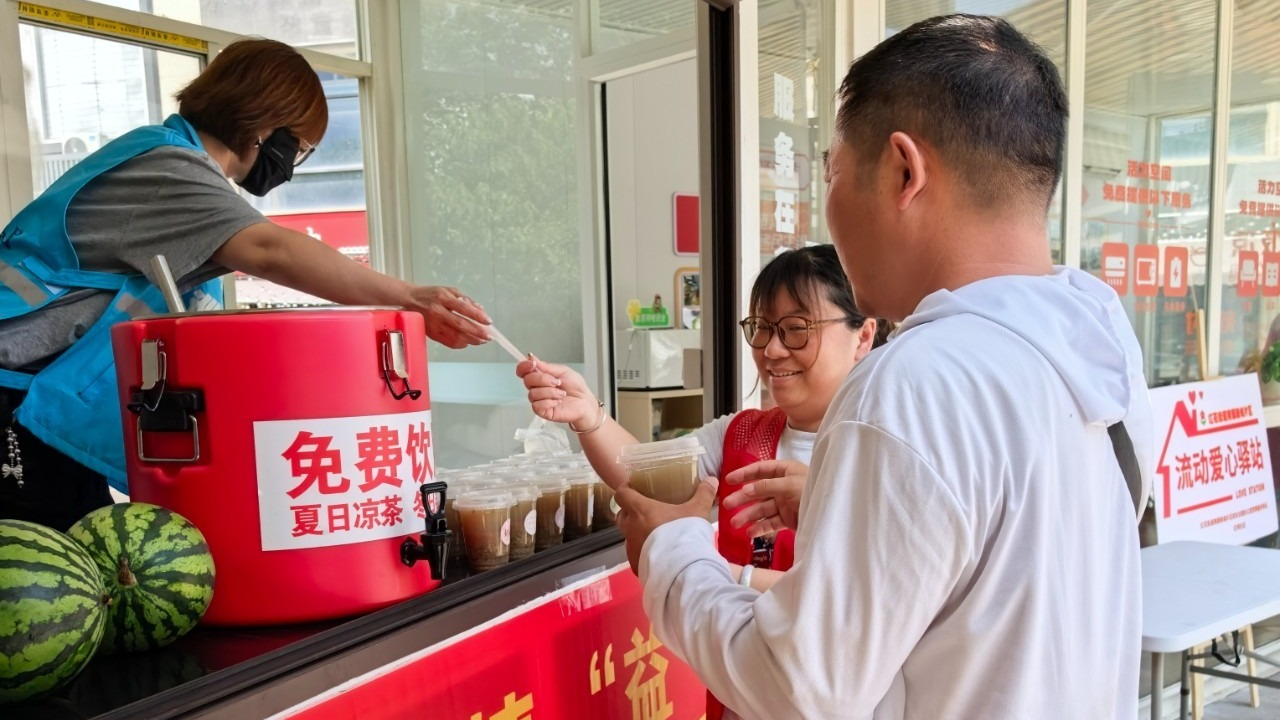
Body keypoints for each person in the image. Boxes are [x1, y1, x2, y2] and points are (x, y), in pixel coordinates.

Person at [614, 14, 1154, 720]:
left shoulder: (913, 385)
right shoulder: (1100, 344)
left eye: (833, 174)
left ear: (904, 171)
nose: (829, 210)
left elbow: (799, 689)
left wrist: (671, 550)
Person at [0, 38, 491, 532]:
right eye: (300, 148)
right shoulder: (168, 168)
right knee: (41, 564)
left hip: (34, 402)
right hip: (11, 389)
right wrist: (409, 298)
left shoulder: (180, 173)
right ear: (265, 124)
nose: (291, 166)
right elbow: (270, 250)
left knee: (76, 553)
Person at [516, 244, 889, 594]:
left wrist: (703, 567)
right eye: (762, 328)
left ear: (863, 337)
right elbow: (644, 475)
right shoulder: (740, 434)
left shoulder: (889, 453)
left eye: (796, 329)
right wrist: (588, 414)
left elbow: (853, 598)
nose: (772, 350)